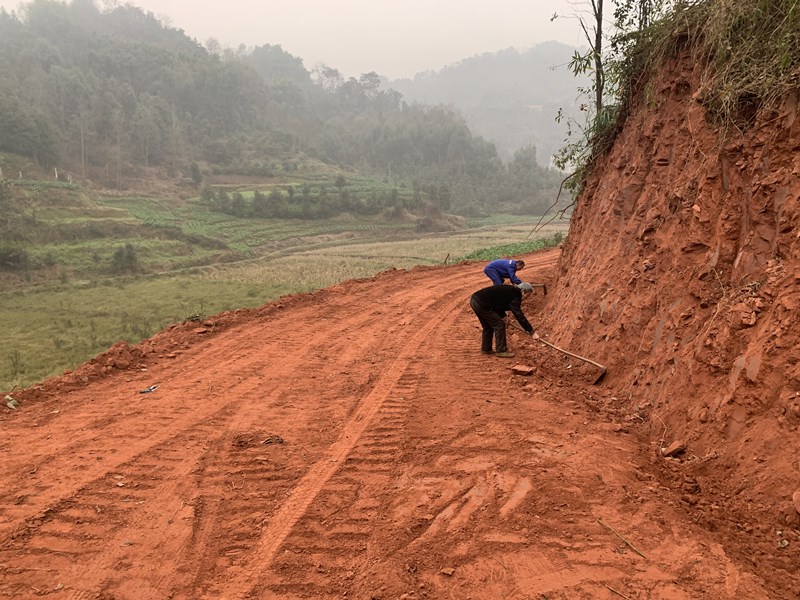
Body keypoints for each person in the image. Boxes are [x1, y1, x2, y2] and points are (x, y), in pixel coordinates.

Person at [470, 282, 539, 358]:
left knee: (488, 326)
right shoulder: (516, 295)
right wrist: (531, 331)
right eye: (527, 295)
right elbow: (519, 315)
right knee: (499, 324)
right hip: (482, 303)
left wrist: (504, 316)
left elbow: (497, 303)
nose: (526, 298)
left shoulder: (510, 291)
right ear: (523, 291)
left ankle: (486, 349)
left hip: (475, 300)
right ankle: (501, 351)